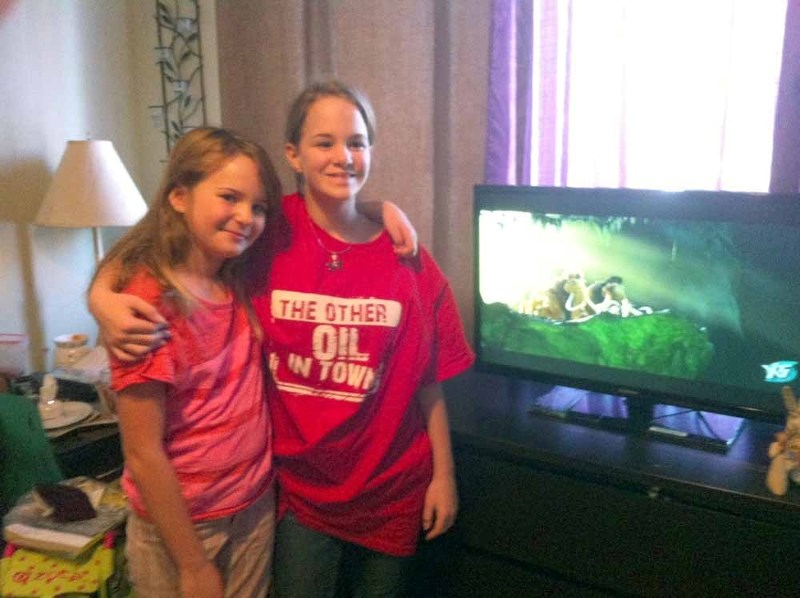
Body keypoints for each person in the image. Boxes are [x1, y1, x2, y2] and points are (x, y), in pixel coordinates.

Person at [91, 79, 474, 597]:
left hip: (388, 492)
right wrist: (100, 295)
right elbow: (158, 241)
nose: (343, 156)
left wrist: (443, 475)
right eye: (324, 142)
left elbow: (427, 378)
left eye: (357, 142)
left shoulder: (402, 255)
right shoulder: (265, 235)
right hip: (298, 498)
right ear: (293, 153)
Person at [96, 127, 282, 597]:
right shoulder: (149, 304)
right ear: (179, 196)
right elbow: (142, 451)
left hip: (252, 508)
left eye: (258, 207)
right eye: (229, 197)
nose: (246, 217)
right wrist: (194, 565)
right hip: (182, 530)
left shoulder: (235, 275)